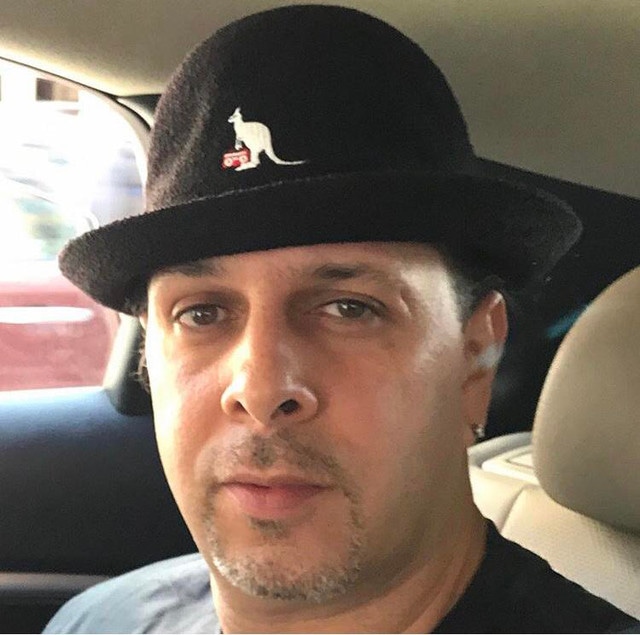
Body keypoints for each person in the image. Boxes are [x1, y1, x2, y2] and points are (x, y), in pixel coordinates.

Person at [44, 5, 637, 633]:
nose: (260, 389)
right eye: (202, 313)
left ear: (474, 356)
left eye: (349, 309)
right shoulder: (97, 619)